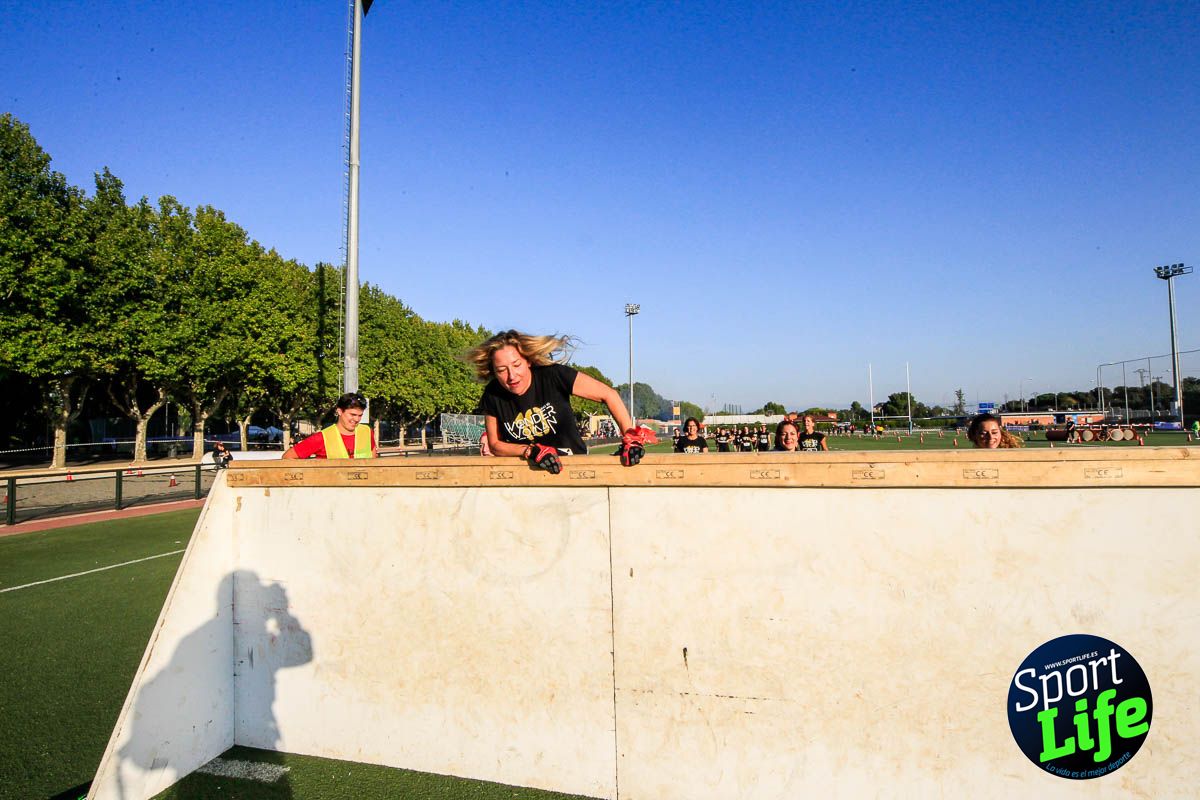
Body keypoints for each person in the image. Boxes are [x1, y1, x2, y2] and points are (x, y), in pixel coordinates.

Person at [468, 330, 650, 473]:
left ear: (528, 361)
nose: (512, 376)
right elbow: (495, 445)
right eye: (501, 370)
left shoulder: (553, 375)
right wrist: (530, 451)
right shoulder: (492, 395)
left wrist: (630, 438)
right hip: (529, 477)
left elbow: (609, 394)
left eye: (517, 365)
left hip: (575, 469)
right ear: (493, 371)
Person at [283, 392, 378, 459]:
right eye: (352, 414)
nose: (357, 419)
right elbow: (288, 457)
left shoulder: (367, 431)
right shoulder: (321, 437)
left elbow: (373, 459)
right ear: (339, 411)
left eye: (360, 415)